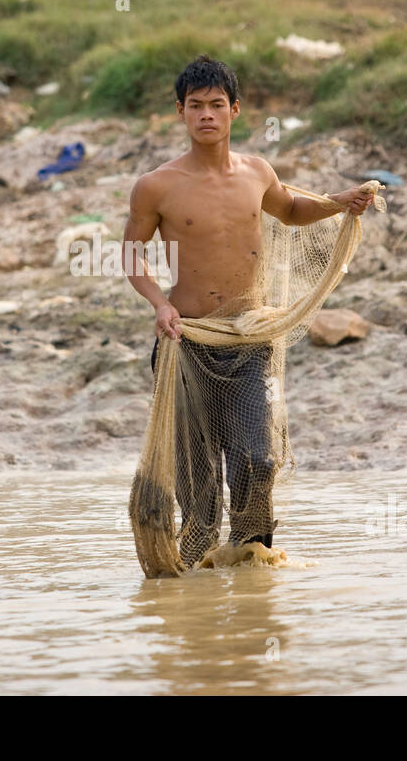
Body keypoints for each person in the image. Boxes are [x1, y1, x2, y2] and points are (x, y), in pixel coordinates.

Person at [123, 54, 374, 564]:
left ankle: (252, 567)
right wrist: (158, 303)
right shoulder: (157, 185)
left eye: (217, 104)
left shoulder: (257, 171)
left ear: (235, 110)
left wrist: (338, 201)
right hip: (186, 341)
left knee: (257, 461)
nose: (207, 115)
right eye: (196, 106)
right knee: (198, 482)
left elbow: (291, 210)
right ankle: (199, 574)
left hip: (250, 340)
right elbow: (132, 256)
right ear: (181, 111)